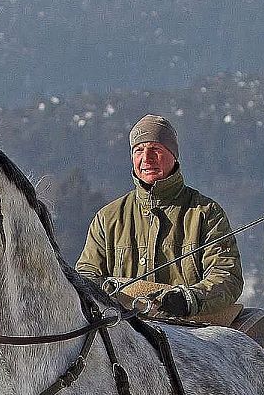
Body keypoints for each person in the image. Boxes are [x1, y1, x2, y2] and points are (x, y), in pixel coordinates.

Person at [76, 115, 243, 322]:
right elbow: (86, 276)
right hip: (125, 334)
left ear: (173, 155)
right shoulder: (107, 218)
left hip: (192, 334)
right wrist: (111, 292)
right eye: (139, 150)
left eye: (155, 149)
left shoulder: (205, 213)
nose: (147, 158)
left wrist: (189, 299)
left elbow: (227, 277)